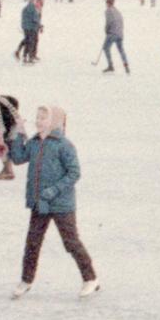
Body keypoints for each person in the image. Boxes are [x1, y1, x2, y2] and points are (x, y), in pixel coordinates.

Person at [7, 105, 100, 298]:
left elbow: (74, 173)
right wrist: (17, 134)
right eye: (38, 117)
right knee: (32, 242)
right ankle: (26, 280)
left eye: (43, 118)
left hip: (61, 204)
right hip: (39, 203)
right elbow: (17, 158)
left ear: (54, 121)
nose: (39, 121)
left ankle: (90, 278)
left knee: (71, 242)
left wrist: (54, 190)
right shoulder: (33, 143)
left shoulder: (64, 144)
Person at [102, 0, 128, 73]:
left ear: (108, 3)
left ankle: (110, 65)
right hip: (120, 33)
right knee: (121, 50)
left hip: (112, 33)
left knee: (105, 48)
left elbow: (108, 22)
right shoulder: (117, 11)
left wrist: (106, 30)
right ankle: (126, 65)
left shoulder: (108, 11)